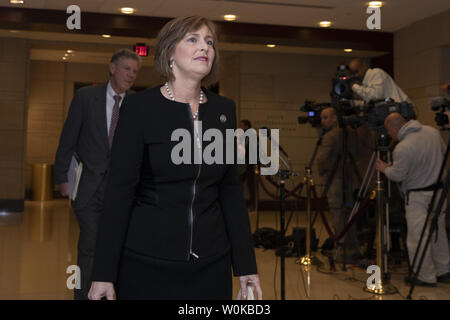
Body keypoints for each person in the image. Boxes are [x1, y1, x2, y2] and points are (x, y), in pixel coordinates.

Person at [88, 16, 262, 300]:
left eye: (209, 42)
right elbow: (119, 193)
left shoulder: (224, 110)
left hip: (212, 265)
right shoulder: (139, 108)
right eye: (192, 39)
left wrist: (245, 265)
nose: (204, 47)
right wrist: (103, 272)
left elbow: (230, 191)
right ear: (170, 52)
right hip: (147, 263)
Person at [54, 49, 141, 300]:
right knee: (90, 244)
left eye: (135, 72)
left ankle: (108, 291)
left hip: (121, 191)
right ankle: (83, 295)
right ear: (112, 68)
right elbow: (68, 138)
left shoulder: (136, 104)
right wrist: (62, 178)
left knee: (117, 244)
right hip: (88, 187)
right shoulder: (85, 97)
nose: (131, 75)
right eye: (127, 68)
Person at [376, 113, 450, 286]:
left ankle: (425, 276)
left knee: (418, 236)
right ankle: (444, 270)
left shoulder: (403, 147)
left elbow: (397, 175)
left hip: (418, 195)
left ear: (395, 128)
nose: (389, 135)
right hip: (439, 192)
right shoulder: (432, 132)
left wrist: (385, 168)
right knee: (438, 232)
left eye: (388, 131)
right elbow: (444, 154)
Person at [316, 107, 364, 262]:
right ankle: (353, 248)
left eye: (325, 117)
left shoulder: (330, 136)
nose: (322, 121)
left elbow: (322, 159)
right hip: (349, 176)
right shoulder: (352, 133)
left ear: (335, 118)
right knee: (349, 212)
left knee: (337, 212)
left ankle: (341, 249)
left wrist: (322, 173)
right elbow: (358, 153)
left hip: (334, 178)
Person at [238, 120, 256, 211]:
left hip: (249, 165)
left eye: (241, 125)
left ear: (246, 126)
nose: (239, 127)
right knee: (239, 185)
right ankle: (239, 204)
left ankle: (253, 205)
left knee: (250, 186)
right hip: (241, 165)